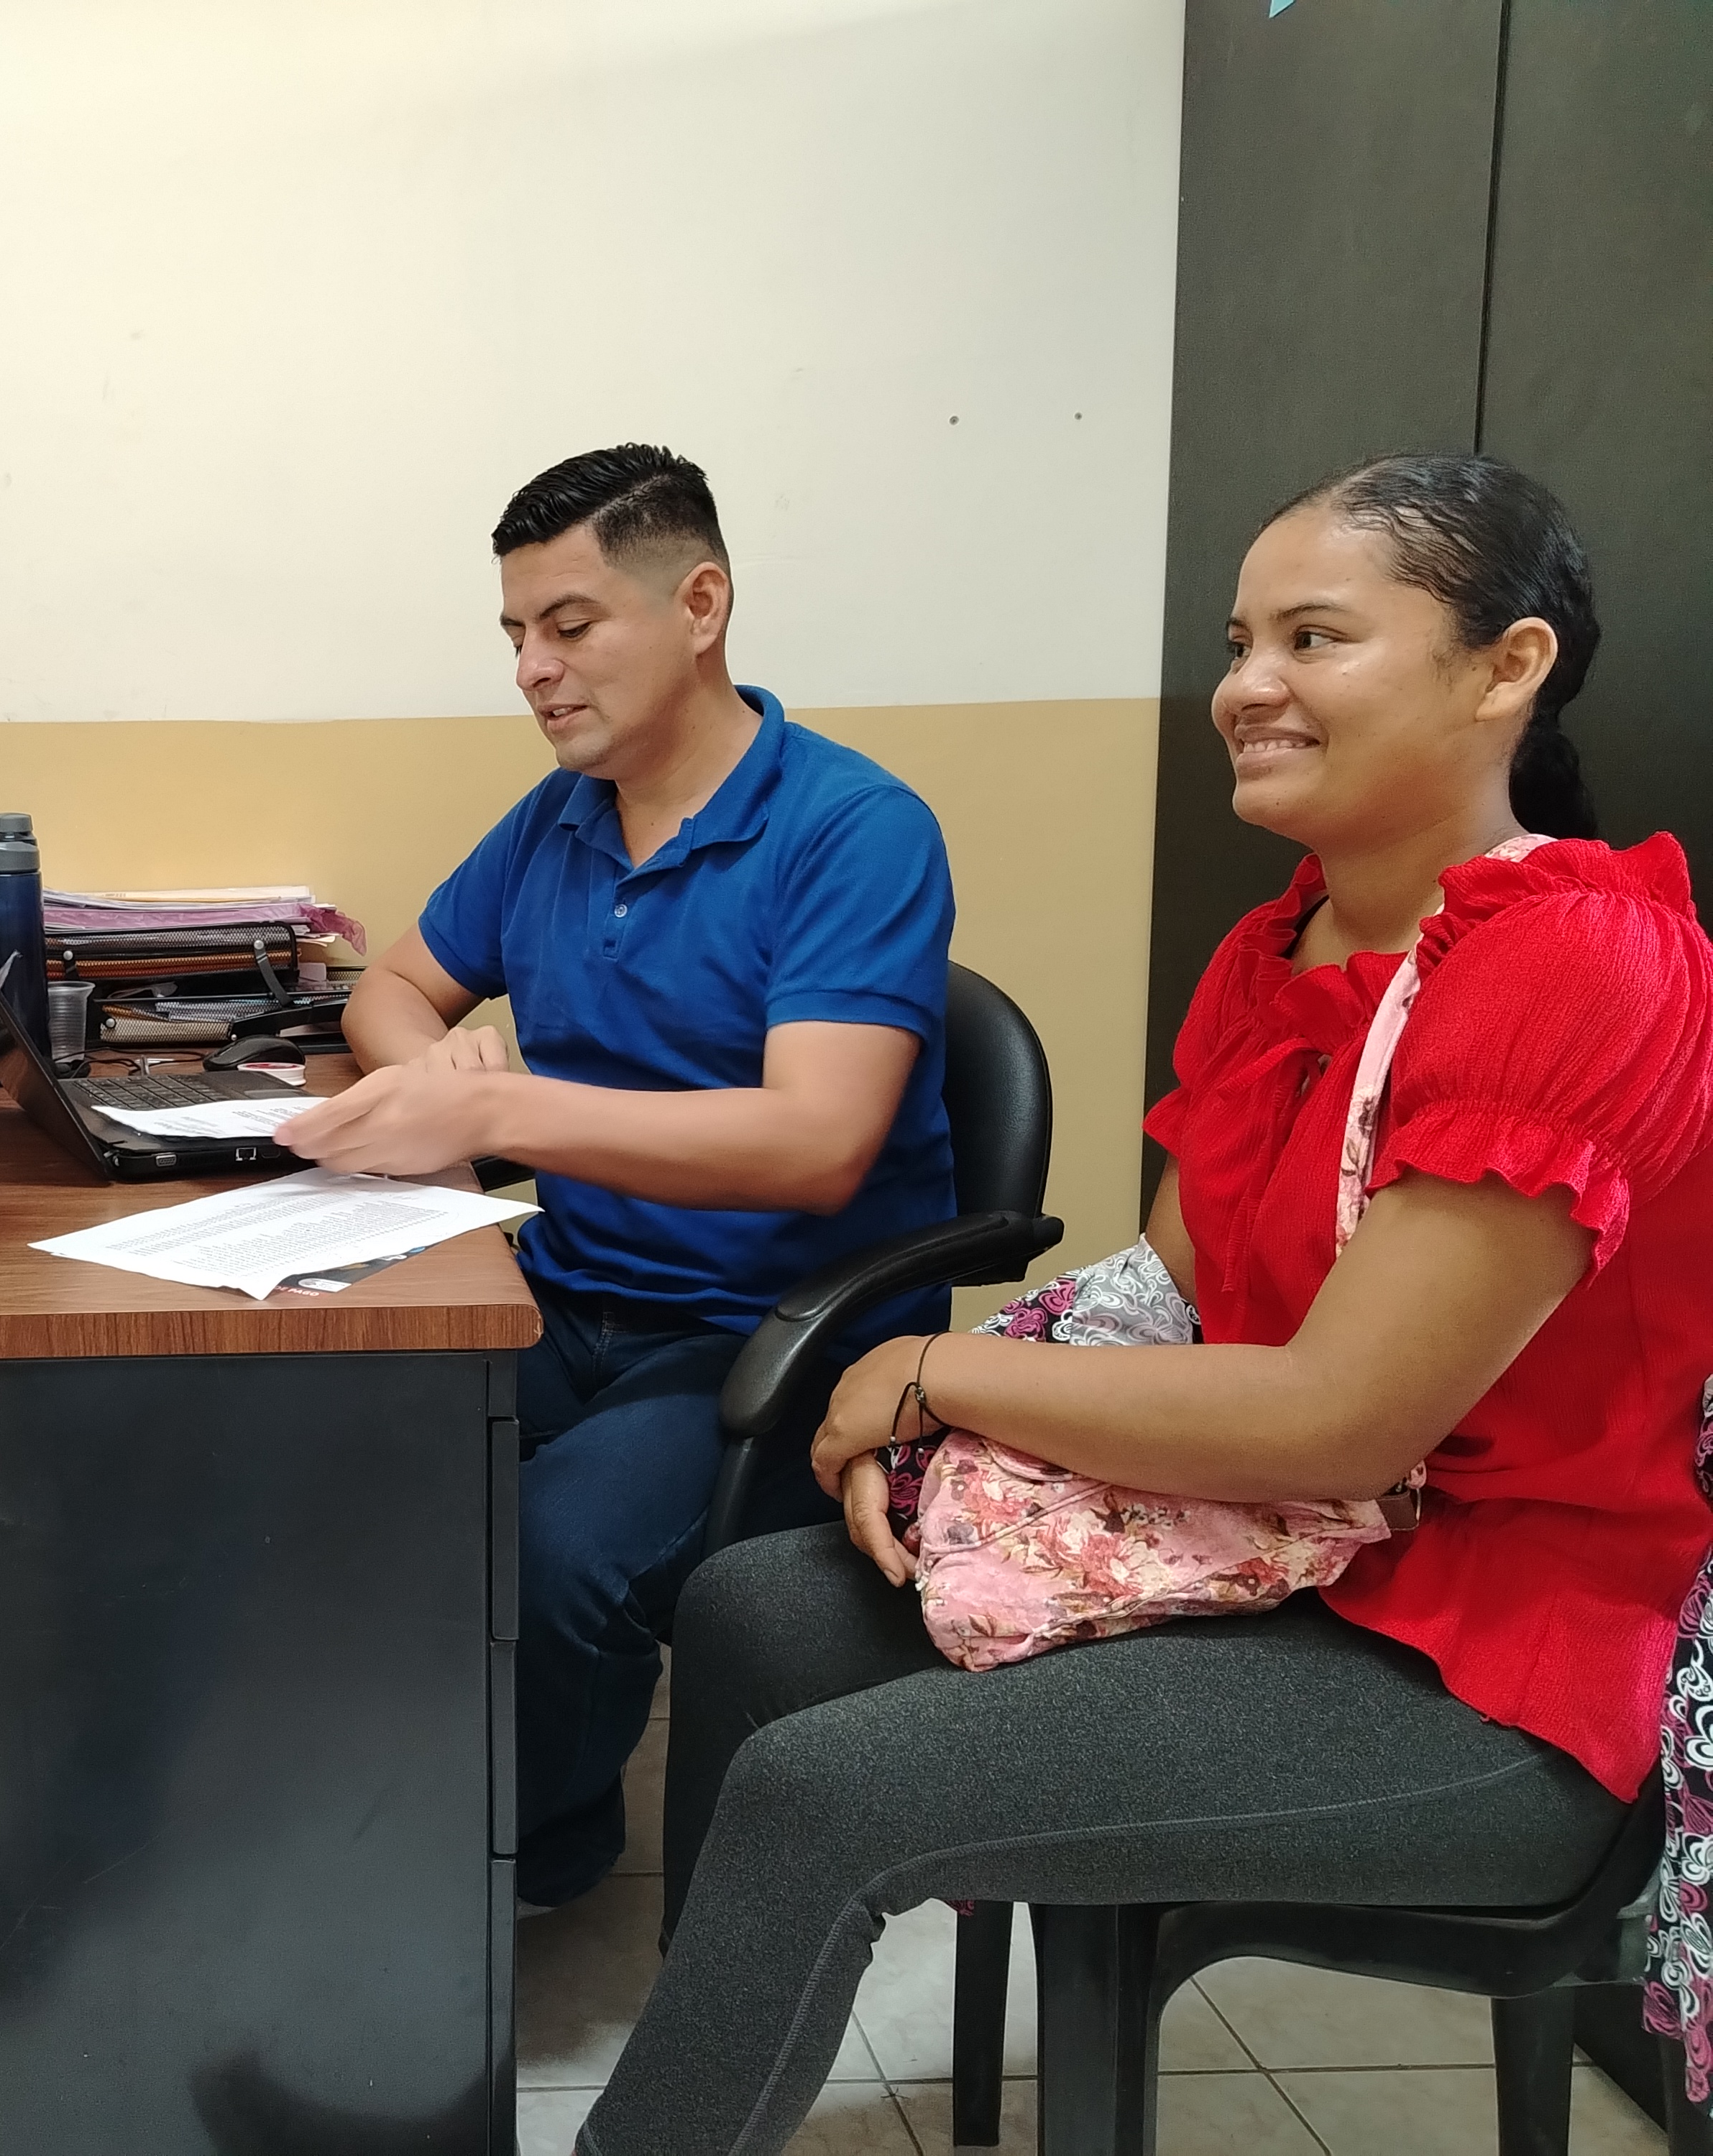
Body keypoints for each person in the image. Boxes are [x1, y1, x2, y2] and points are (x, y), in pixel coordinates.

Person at [577, 452, 1713, 2156]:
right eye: (1237, 642)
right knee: (752, 1605)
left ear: (1506, 666)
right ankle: (714, 2080)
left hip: (1491, 1656)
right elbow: (1169, 1293)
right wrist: (924, 1432)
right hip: (1278, 1550)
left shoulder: (1578, 963)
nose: (1245, 686)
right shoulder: (1277, 953)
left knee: (826, 1792)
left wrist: (931, 1373)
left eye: (1313, 638)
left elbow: (1340, 1418)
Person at [280, 445, 957, 1912]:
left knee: (559, 1552)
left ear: (699, 606)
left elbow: (815, 1144)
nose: (533, 668)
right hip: (566, 1292)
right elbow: (389, 985)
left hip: (770, 1340)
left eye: (570, 624)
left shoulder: (852, 830)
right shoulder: (561, 815)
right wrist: (436, 1070)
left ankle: (523, 1865)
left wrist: (503, 1107)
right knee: (316, 1435)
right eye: (516, 633)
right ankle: (355, 1797)